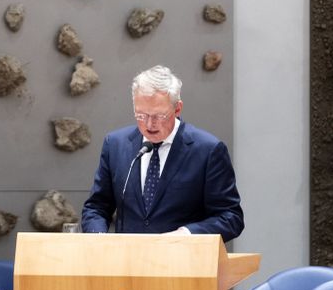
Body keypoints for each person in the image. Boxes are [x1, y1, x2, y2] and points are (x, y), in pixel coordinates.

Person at [81, 65, 244, 241]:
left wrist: (186, 234)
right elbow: (96, 207)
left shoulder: (208, 150)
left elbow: (230, 217)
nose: (150, 124)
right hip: (128, 263)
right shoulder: (115, 144)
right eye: (141, 115)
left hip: (184, 263)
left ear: (177, 108)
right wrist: (97, 238)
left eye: (159, 116)